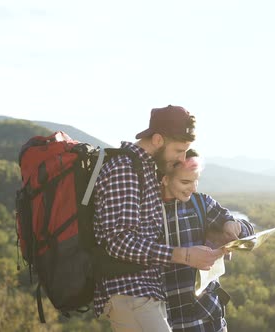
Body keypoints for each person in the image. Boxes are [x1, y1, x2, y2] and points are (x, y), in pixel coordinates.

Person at [93, 105, 226, 332]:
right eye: (178, 150)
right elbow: (118, 241)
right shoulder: (125, 169)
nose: (181, 158)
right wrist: (184, 255)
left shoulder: (144, 169)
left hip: (145, 296)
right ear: (157, 140)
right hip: (130, 293)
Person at [160, 149, 255, 332]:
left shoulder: (201, 203)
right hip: (166, 321)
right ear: (164, 178)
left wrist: (233, 226)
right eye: (185, 181)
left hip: (209, 319)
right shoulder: (148, 212)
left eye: (196, 180)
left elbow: (247, 230)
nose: (194, 188)